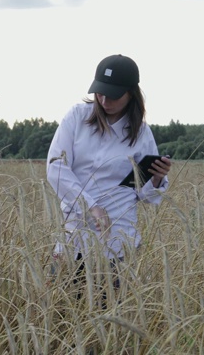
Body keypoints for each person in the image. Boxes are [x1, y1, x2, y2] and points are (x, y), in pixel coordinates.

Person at [46, 54, 171, 281]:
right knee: (59, 310)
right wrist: (91, 206)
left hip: (117, 241)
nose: (104, 101)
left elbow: (144, 196)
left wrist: (156, 180)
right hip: (73, 236)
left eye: (113, 95)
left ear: (131, 93)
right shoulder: (76, 117)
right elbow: (56, 168)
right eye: (100, 92)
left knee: (110, 309)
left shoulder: (141, 134)